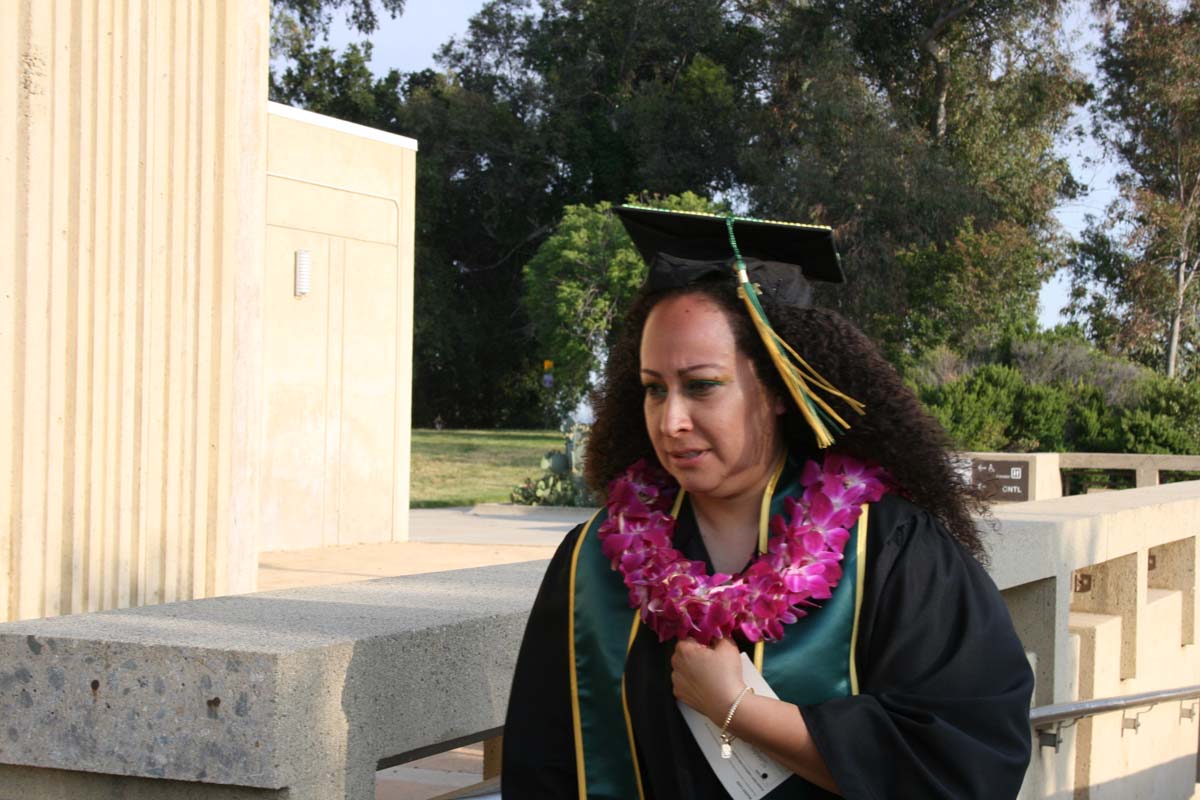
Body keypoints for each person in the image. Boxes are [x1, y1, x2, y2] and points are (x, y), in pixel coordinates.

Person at [501, 206, 1034, 799]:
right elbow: (541, 764)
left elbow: (966, 761)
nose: (671, 420)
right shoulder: (594, 565)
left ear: (781, 388)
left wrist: (739, 709)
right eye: (654, 389)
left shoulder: (889, 550)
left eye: (702, 385)